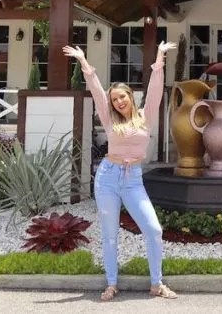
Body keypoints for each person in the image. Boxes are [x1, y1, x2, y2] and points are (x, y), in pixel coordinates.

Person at [63, 40, 178, 302]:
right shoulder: (109, 118)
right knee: (110, 235)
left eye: (122, 97)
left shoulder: (145, 116)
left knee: (154, 230)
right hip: (107, 178)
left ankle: (156, 284)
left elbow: (155, 92)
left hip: (133, 180)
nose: (118, 102)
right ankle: (111, 283)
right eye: (114, 99)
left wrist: (159, 59)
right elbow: (96, 91)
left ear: (130, 96)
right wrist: (83, 62)